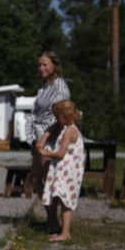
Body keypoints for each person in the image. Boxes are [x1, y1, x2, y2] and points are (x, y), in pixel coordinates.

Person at [25, 50, 71, 233]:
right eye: (39, 65)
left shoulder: (60, 86)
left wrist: (45, 136)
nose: (41, 68)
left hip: (51, 137)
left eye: (45, 64)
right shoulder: (43, 85)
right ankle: (51, 219)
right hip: (39, 136)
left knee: (47, 179)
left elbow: (63, 116)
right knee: (35, 179)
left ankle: (53, 222)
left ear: (55, 66)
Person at [36, 100, 85, 242]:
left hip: (67, 173)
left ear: (66, 115)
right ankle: (64, 232)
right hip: (66, 172)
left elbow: (61, 154)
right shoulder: (70, 129)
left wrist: (44, 153)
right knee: (62, 199)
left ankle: (65, 233)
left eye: (58, 116)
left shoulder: (70, 131)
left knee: (65, 201)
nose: (57, 120)